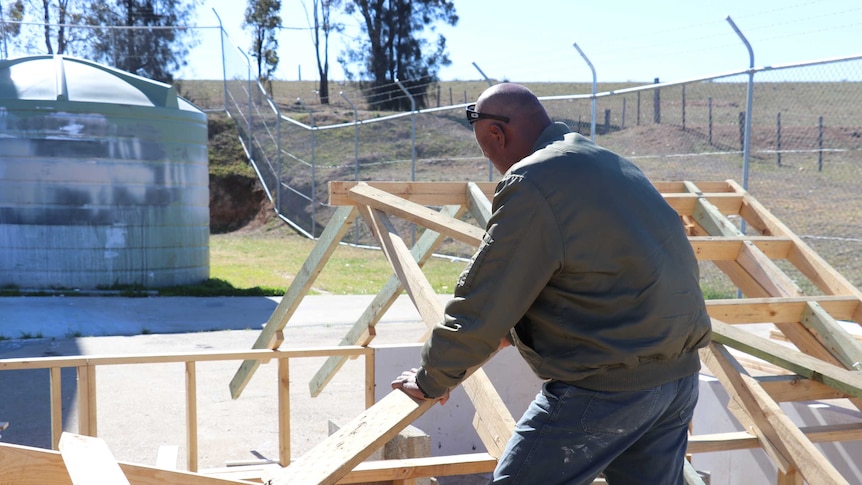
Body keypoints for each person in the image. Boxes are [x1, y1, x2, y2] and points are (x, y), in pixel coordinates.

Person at [391, 83, 712, 484]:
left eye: (486, 150)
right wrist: (517, 329)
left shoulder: (534, 179)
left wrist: (432, 377)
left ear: (496, 134)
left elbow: (486, 298)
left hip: (606, 387)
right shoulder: (609, 163)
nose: (492, 162)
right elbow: (599, 271)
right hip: (677, 379)